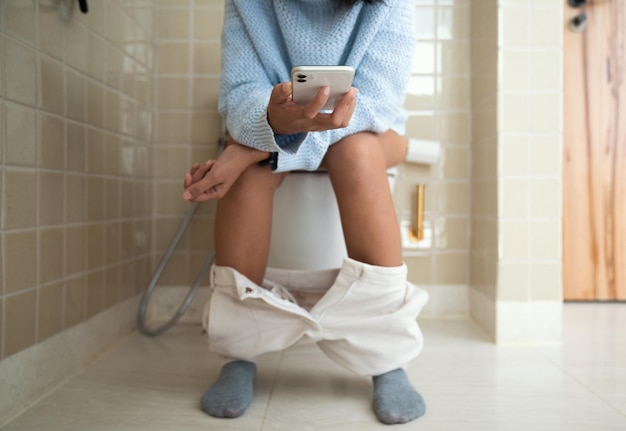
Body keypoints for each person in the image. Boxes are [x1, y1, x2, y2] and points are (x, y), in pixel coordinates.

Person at [182, 0, 428, 425]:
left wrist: (250, 149)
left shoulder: (390, 4)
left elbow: (376, 105)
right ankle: (239, 352)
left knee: (356, 152)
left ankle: (387, 357)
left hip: (370, 129)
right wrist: (270, 127)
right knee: (253, 172)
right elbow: (239, 92)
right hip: (274, 126)